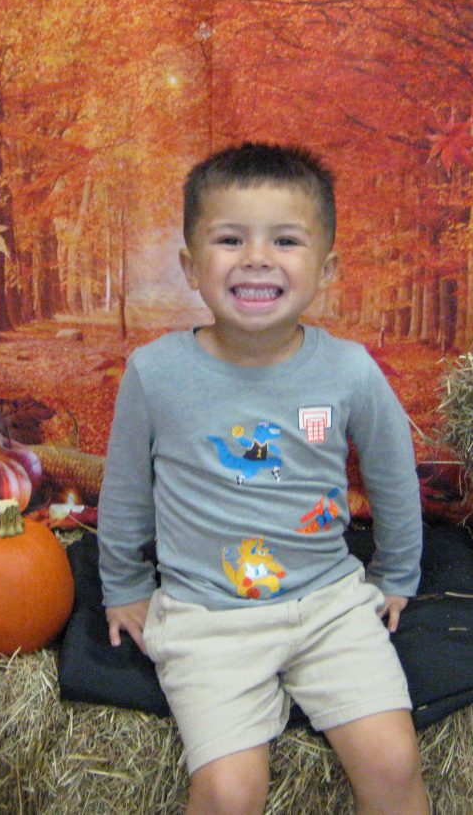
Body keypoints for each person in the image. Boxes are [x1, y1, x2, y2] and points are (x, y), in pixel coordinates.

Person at [98, 141, 429, 815]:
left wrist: (397, 573)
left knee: (393, 763)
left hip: (329, 606)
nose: (255, 257)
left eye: (285, 240)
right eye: (230, 239)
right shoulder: (155, 373)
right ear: (190, 266)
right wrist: (125, 585)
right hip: (207, 615)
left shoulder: (349, 371)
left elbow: (394, 474)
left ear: (325, 269)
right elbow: (126, 490)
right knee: (229, 792)